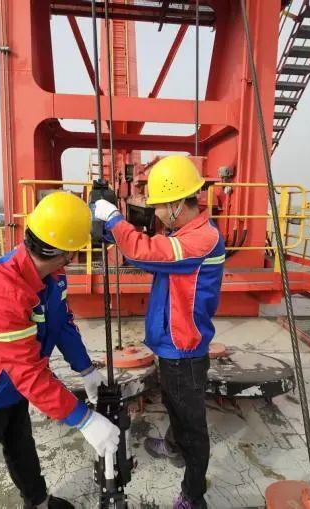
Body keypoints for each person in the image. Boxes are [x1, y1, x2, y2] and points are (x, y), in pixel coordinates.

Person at [0, 191, 120, 509]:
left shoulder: (52, 273)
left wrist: (85, 368)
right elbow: (27, 372)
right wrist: (84, 419)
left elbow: (61, 324)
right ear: (65, 252)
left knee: (22, 451)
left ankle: (37, 502)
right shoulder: (4, 290)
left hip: (13, 390)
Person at [94, 155, 225, 509]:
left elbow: (143, 251)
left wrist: (115, 219)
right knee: (174, 404)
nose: (157, 213)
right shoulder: (183, 234)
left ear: (176, 203)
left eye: (159, 206)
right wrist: (111, 228)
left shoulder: (201, 240)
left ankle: (193, 496)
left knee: (192, 426)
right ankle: (172, 445)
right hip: (171, 346)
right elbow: (146, 251)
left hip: (184, 351)